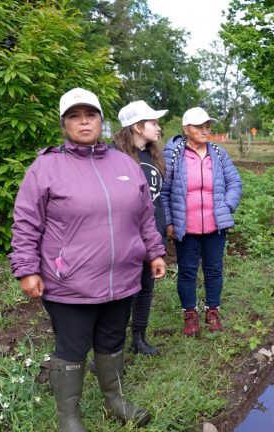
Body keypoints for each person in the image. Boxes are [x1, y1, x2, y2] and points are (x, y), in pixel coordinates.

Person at [9, 88, 166, 431]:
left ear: (101, 120)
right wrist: (26, 268)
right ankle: (69, 417)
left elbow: (144, 216)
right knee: (72, 347)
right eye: (74, 116)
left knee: (112, 340)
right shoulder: (46, 167)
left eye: (90, 115)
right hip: (69, 282)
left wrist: (154, 251)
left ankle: (115, 401)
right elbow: (26, 222)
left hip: (122, 277)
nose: (84, 122)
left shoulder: (124, 163)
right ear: (64, 124)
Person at [161, 107, 242, 337]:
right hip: (186, 227)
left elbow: (235, 182)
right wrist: (169, 221)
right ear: (186, 129)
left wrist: (226, 206)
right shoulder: (174, 155)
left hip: (215, 226)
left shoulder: (217, 153)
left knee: (214, 270)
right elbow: (164, 192)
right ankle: (190, 315)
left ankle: (212, 311)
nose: (205, 130)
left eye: (207, 126)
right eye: (199, 126)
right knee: (187, 272)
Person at [113, 100, 169, 356]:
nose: (158, 128)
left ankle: (139, 338)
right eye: (154, 123)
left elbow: (157, 197)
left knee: (146, 287)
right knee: (122, 293)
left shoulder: (153, 154)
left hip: (152, 233)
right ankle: (112, 346)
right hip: (124, 238)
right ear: (137, 126)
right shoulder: (112, 156)